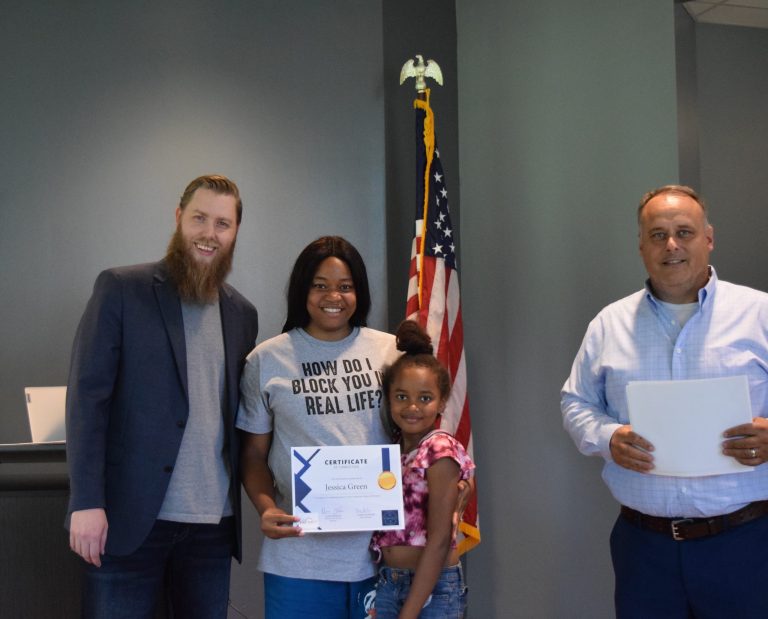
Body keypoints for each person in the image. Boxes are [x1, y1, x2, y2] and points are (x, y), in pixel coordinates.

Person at [561, 185, 768, 618]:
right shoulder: (609, 324)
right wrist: (607, 436)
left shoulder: (759, 314)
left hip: (746, 543)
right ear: (641, 246)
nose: (671, 245)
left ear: (708, 239)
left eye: (684, 232)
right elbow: (575, 403)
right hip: (644, 549)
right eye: (657, 235)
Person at [65, 174, 259, 618]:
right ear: (178, 219)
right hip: (128, 520)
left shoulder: (242, 313)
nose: (210, 234)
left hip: (212, 526)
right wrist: (86, 502)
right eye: (200, 218)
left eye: (223, 224)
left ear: (235, 232)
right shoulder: (121, 289)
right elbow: (86, 402)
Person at [237, 235, 397, 618]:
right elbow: (253, 454)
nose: (334, 296)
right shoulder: (266, 360)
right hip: (298, 558)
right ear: (302, 291)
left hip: (382, 554)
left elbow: (417, 441)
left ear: (359, 292)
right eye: (320, 286)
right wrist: (264, 507)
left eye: (345, 287)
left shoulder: (390, 352)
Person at [370, 320, 474, 619]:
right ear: (388, 398)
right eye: (401, 396)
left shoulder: (439, 450)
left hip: (434, 587)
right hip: (390, 581)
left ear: (441, 402)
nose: (412, 406)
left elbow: (440, 540)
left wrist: (410, 611)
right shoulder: (391, 450)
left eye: (425, 398)